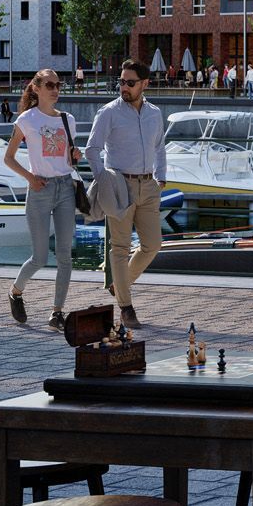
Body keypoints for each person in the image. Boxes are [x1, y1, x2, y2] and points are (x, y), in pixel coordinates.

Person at [84, 59, 166, 330]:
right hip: (118, 185)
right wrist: (103, 179)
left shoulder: (155, 113)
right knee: (119, 248)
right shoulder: (108, 112)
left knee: (152, 245)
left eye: (130, 83)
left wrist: (161, 177)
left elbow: (160, 147)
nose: (124, 87)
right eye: (121, 81)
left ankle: (119, 286)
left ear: (145, 84)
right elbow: (92, 149)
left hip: (149, 186)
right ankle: (126, 307)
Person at [3, 69, 80, 330]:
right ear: (36, 88)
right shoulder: (27, 120)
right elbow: (9, 158)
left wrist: (75, 155)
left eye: (58, 84)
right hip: (39, 189)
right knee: (38, 257)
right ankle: (15, 292)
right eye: (49, 84)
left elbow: (68, 159)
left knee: (64, 255)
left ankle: (57, 311)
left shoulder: (68, 120)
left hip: (66, 189)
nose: (55, 89)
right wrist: (30, 178)